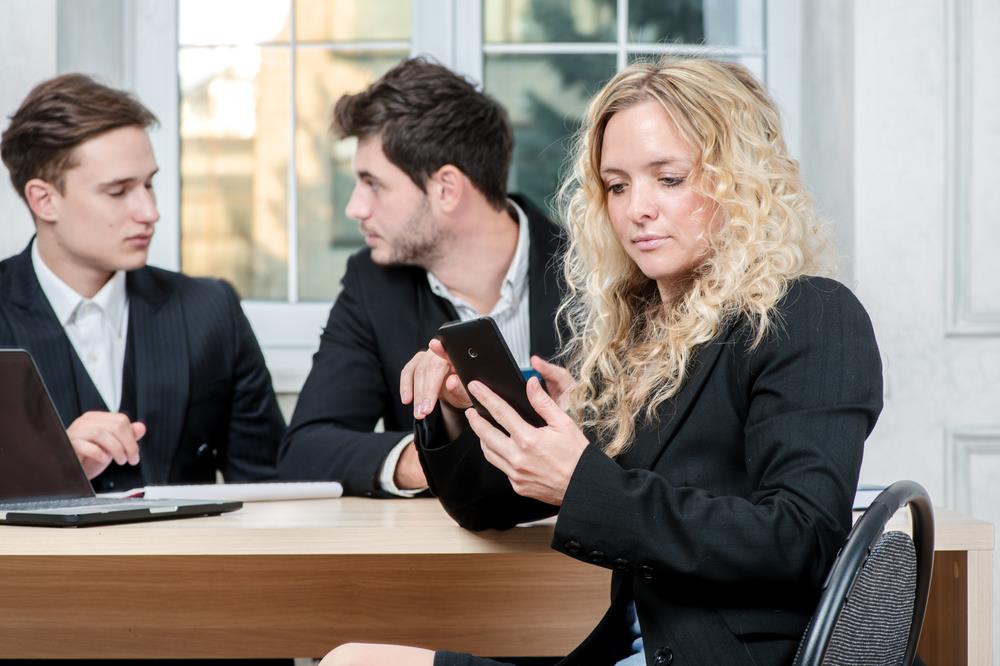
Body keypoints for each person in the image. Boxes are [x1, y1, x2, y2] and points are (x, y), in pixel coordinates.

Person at [321, 56, 883, 666]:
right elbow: (488, 509)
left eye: (668, 179)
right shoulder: (643, 336)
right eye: (617, 185)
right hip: (630, 651)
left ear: (742, 182)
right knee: (354, 655)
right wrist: (463, 415)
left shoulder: (811, 313)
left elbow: (799, 540)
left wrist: (583, 478)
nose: (636, 209)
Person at [278, 57, 567, 498]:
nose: (355, 208)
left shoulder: (594, 270)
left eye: (373, 183)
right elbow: (306, 451)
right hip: (445, 558)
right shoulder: (372, 284)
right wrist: (440, 462)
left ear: (447, 189)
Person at [0, 73, 285, 493]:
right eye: (118, 192)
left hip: (185, 560)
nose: (149, 211)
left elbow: (277, 488)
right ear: (44, 200)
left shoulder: (211, 311)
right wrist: (46, 466)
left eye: (148, 184)